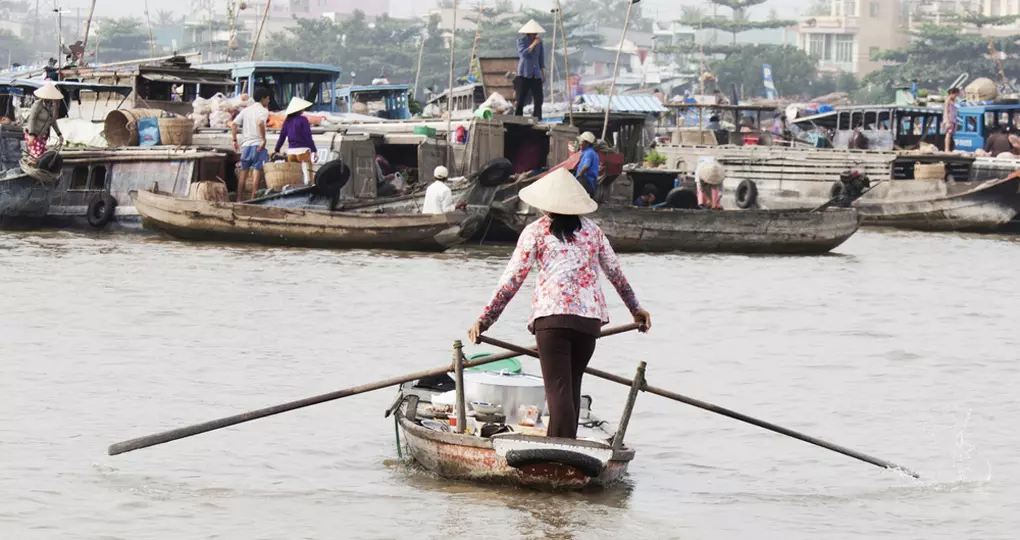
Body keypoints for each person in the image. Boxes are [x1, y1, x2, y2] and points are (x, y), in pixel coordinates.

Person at [467, 167, 651, 439]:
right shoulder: (593, 231)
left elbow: (512, 280)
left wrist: (485, 319)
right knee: (570, 387)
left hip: (552, 320)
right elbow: (616, 274)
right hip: (588, 324)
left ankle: (560, 451)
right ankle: (567, 445)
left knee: (559, 390)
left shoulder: (535, 232)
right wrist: (636, 310)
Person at [230, 87, 271, 201]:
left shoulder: (246, 110)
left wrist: (234, 140)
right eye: (267, 99)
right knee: (257, 171)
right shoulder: (263, 111)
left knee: (244, 171)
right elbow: (260, 123)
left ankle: (239, 198)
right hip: (258, 144)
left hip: (246, 145)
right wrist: (263, 139)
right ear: (263, 99)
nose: (268, 101)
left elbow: (234, 124)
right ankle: (253, 198)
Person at [274, 97, 317, 185]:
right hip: (303, 151)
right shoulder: (303, 120)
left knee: (295, 176)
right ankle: (309, 186)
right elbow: (308, 136)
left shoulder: (287, 121)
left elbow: (282, 137)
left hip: (291, 152)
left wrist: (276, 149)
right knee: (308, 174)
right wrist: (314, 150)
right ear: (299, 109)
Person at [23, 82, 65, 162]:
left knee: (42, 156)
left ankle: (38, 170)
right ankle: (33, 171)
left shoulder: (53, 105)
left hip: (42, 135)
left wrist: (59, 134)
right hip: (33, 133)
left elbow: (53, 121)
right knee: (36, 156)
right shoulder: (38, 104)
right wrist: (31, 135)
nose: (49, 99)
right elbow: (32, 119)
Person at [515, 19, 545, 120]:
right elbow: (523, 54)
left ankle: (537, 117)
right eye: (533, 33)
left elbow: (541, 58)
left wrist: (543, 73)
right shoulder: (521, 41)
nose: (535, 35)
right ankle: (518, 117)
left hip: (536, 74)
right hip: (524, 73)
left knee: (539, 98)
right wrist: (533, 45)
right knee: (521, 98)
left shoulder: (540, 43)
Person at [576, 131, 599, 197]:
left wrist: (578, 176)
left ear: (587, 143)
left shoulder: (588, 153)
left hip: (586, 181)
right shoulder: (590, 152)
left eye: (581, 142)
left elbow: (586, 166)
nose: (580, 143)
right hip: (590, 182)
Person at [944, 87, 960, 152]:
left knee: (951, 135)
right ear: (951, 93)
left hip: (953, 119)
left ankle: (949, 149)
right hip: (949, 119)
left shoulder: (952, 101)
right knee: (948, 134)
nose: (956, 97)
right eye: (955, 95)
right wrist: (947, 122)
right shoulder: (947, 101)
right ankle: (946, 149)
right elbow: (946, 111)